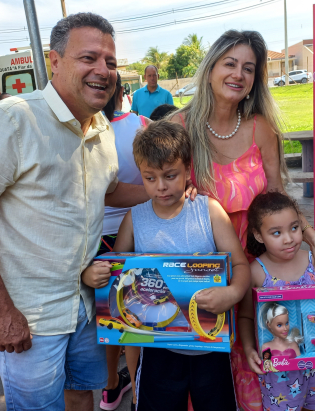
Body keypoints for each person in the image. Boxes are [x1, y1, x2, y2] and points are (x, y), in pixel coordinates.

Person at [169, 29, 315, 411]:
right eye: (230, 63)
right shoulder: (179, 127)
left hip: (259, 267)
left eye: (248, 68)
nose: (238, 74)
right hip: (204, 272)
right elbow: (158, 193)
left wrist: (312, 239)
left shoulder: (261, 127)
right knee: (205, 376)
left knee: (259, 369)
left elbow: (278, 199)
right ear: (211, 67)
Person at [0, 12, 148, 411]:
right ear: (55, 61)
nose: (103, 70)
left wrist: (165, 189)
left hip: (85, 303)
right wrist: (3, 312)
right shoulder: (15, 119)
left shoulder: (99, 127)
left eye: (111, 62)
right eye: (89, 58)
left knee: (82, 394)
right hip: (31, 316)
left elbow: (109, 190)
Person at [82, 120, 251, 411]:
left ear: (187, 169)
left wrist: (233, 293)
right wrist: (93, 273)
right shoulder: (134, 219)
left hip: (210, 347)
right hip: (158, 349)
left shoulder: (208, 211)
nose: (160, 186)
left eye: (170, 176)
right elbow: (115, 274)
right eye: (149, 178)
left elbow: (239, 263)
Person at [238, 191, 315, 411]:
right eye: (276, 232)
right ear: (258, 235)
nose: (289, 238)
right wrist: (248, 348)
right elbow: (245, 315)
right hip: (279, 372)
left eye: (294, 228)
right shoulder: (256, 272)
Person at [98, 74, 150, 410]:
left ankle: (110, 387)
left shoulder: (82, 130)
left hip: (96, 235)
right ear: (123, 92)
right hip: (140, 228)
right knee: (133, 316)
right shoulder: (143, 125)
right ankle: (137, 386)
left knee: (106, 316)